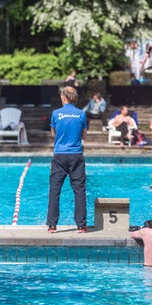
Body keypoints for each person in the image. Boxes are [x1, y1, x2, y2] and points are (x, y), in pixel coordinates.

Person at [47, 86, 88, 234]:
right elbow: (84, 135)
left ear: (64, 98)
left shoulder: (56, 114)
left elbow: (54, 133)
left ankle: (52, 225)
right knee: (79, 190)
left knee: (55, 190)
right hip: (76, 154)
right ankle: (81, 225)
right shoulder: (81, 114)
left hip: (59, 155)